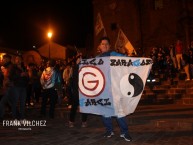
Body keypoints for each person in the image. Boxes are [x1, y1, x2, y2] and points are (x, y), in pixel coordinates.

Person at [96, 36, 132, 142]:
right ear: (100, 46)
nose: (105, 45)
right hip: (103, 89)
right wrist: (80, 63)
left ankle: (125, 132)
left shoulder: (114, 55)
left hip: (116, 88)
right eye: (103, 44)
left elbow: (126, 59)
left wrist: (125, 54)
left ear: (109, 46)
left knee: (119, 111)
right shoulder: (97, 58)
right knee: (105, 111)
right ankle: (109, 130)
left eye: (107, 44)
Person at [66, 53, 88, 128]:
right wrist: (76, 65)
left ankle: (84, 121)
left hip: (84, 91)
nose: (80, 59)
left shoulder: (86, 68)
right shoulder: (74, 68)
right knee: (74, 107)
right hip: (76, 91)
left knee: (84, 107)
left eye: (81, 58)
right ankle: (71, 121)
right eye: (79, 58)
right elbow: (72, 78)